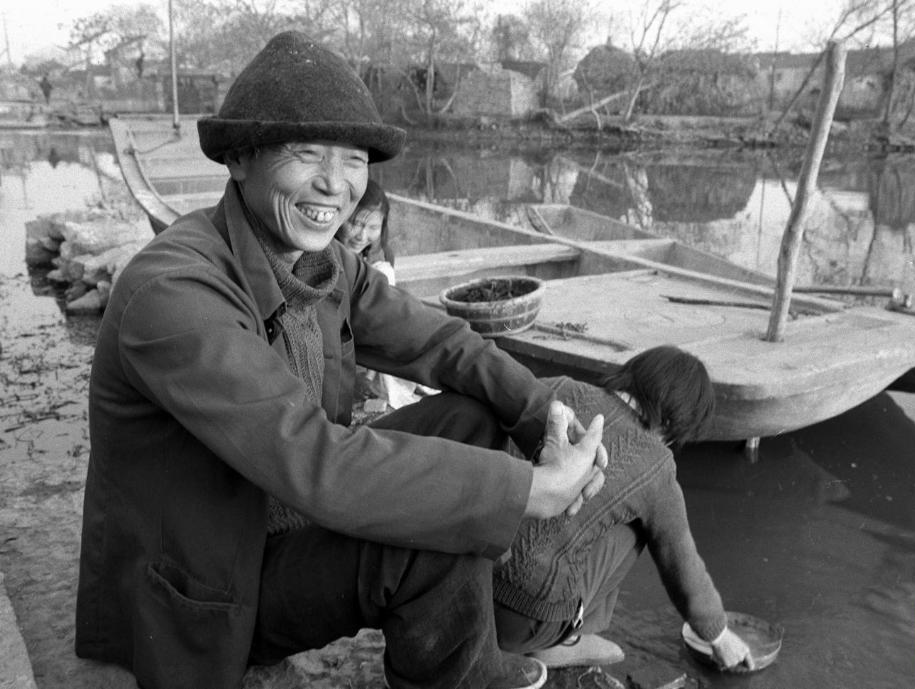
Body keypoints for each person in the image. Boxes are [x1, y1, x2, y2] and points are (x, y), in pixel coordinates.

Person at [75, 30, 607, 689]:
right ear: (238, 158)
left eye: (354, 160)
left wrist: (543, 415)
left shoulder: (326, 266)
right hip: (214, 577)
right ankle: (459, 674)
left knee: (473, 422)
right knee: (431, 533)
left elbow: (442, 343)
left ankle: (466, 656)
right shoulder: (174, 292)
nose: (336, 183)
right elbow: (313, 458)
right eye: (306, 154)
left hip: (286, 516)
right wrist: (529, 490)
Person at [493, 346, 754, 672]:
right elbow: (682, 565)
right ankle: (563, 640)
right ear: (675, 422)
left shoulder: (560, 387)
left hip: (461, 578)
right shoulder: (656, 465)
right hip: (522, 624)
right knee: (641, 525)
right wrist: (718, 635)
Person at [337, 179, 422, 409]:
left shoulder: (381, 258)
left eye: (373, 227)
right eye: (355, 223)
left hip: (371, 332)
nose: (362, 235)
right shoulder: (326, 255)